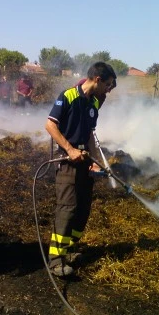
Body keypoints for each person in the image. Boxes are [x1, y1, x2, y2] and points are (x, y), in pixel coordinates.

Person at [45, 61, 116, 277]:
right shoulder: (67, 96)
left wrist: (95, 160)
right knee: (67, 209)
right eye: (108, 85)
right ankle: (56, 261)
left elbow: (90, 136)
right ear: (97, 79)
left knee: (83, 210)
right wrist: (70, 148)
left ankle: (69, 250)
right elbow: (50, 125)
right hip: (67, 162)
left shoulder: (93, 104)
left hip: (85, 162)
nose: (108, 90)